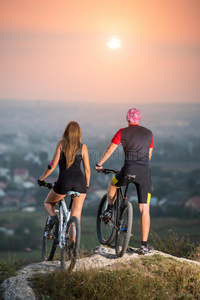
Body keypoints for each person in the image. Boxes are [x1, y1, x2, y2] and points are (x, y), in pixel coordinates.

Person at [95, 108, 154, 254]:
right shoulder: (149, 133)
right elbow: (149, 156)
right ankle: (144, 246)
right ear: (139, 119)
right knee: (144, 209)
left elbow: (110, 150)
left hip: (128, 169)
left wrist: (99, 164)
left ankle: (109, 210)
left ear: (128, 119)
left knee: (113, 184)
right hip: (145, 173)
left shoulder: (122, 132)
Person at [38, 121, 91, 228]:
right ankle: (73, 243)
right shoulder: (83, 147)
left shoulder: (61, 144)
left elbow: (52, 164)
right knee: (76, 215)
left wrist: (41, 178)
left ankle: (53, 217)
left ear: (67, 131)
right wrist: (87, 185)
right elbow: (87, 170)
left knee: (48, 203)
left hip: (64, 182)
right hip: (80, 183)